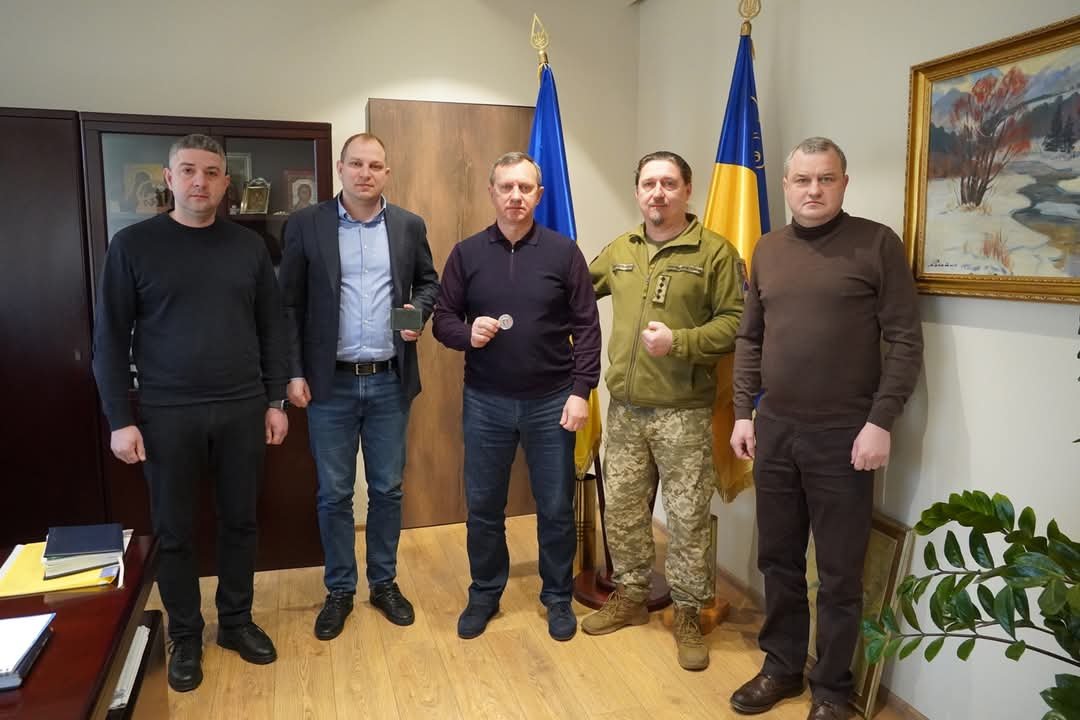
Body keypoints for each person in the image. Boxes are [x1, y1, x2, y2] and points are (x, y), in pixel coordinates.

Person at [728, 137, 923, 720]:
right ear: (787, 185)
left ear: (844, 182)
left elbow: (905, 340)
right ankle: (782, 667)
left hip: (845, 435)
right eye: (803, 179)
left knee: (838, 573)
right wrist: (743, 411)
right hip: (776, 429)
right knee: (778, 559)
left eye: (826, 178)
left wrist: (880, 421)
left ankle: (833, 689)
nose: (814, 190)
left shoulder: (877, 244)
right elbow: (750, 338)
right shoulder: (767, 249)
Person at [92, 134, 289, 693]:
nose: (200, 181)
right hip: (166, 412)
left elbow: (273, 328)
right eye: (188, 170)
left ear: (226, 183)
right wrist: (119, 418)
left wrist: (275, 400)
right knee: (174, 530)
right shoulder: (133, 246)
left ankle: (236, 622)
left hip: (242, 406)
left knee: (241, 521)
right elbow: (110, 339)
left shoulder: (250, 247)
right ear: (169, 178)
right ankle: (184, 634)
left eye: (211, 172)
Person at [581, 151, 744, 671]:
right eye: (649, 183)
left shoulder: (715, 252)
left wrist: (680, 341)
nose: (658, 192)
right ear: (637, 192)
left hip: (684, 411)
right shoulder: (622, 249)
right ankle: (630, 595)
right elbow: (576, 290)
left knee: (688, 517)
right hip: (627, 409)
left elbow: (737, 322)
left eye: (669, 183)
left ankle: (689, 612)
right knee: (623, 510)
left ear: (687, 190)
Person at [432, 151, 601, 642]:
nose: (515, 196)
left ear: (539, 195)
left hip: (553, 400)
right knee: (484, 506)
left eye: (525, 188)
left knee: (555, 507)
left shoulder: (564, 253)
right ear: (492, 192)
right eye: (506, 187)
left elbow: (587, 327)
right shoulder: (466, 253)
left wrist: (581, 391)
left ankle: (557, 597)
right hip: (486, 401)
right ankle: (485, 593)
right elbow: (442, 318)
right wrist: (467, 333)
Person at [277, 132, 439, 640]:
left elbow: (428, 283)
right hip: (330, 385)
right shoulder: (307, 224)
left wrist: (418, 313)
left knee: (388, 489)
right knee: (335, 494)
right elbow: (288, 304)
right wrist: (294, 372)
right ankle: (340, 589)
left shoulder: (408, 225)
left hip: (390, 380)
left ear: (386, 172)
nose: (365, 173)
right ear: (340, 169)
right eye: (356, 164)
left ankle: (384, 583)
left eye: (374, 165)